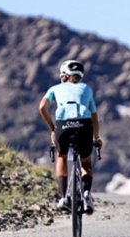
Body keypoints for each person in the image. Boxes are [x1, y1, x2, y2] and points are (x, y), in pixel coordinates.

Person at [38, 59, 102, 214]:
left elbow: (42, 107)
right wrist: (96, 138)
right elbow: (94, 116)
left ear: (65, 76)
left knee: (61, 156)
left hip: (63, 125)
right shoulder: (86, 89)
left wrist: (53, 129)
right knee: (86, 163)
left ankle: (63, 198)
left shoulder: (55, 88)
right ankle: (86, 192)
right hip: (84, 125)